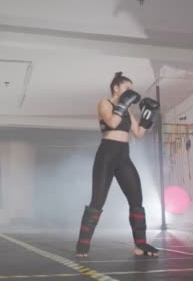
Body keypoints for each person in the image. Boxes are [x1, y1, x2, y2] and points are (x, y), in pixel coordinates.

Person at [75, 72, 160, 257]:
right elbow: (113, 122)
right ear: (116, 88)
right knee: (97, 201)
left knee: (137, 200)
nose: (131, 92)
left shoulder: (128, 110)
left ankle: (140, 245)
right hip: (107, 154)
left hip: (123, 155)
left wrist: (148, 117)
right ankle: (82, 245)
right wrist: (123, 104)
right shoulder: (104, 103)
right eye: (127, 89)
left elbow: (138, 133)